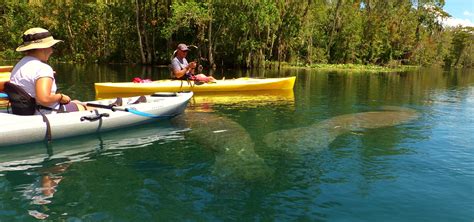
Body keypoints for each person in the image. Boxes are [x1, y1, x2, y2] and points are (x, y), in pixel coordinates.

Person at [9, 27, 89, 114]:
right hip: (45, 113)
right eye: (51, 46)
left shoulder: (19, 65)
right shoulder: (43, 69)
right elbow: (44, 99)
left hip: (27, 111)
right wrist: (60, 97)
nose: (51, 51)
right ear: (42, 48)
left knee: (76, 101)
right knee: (87, 108)